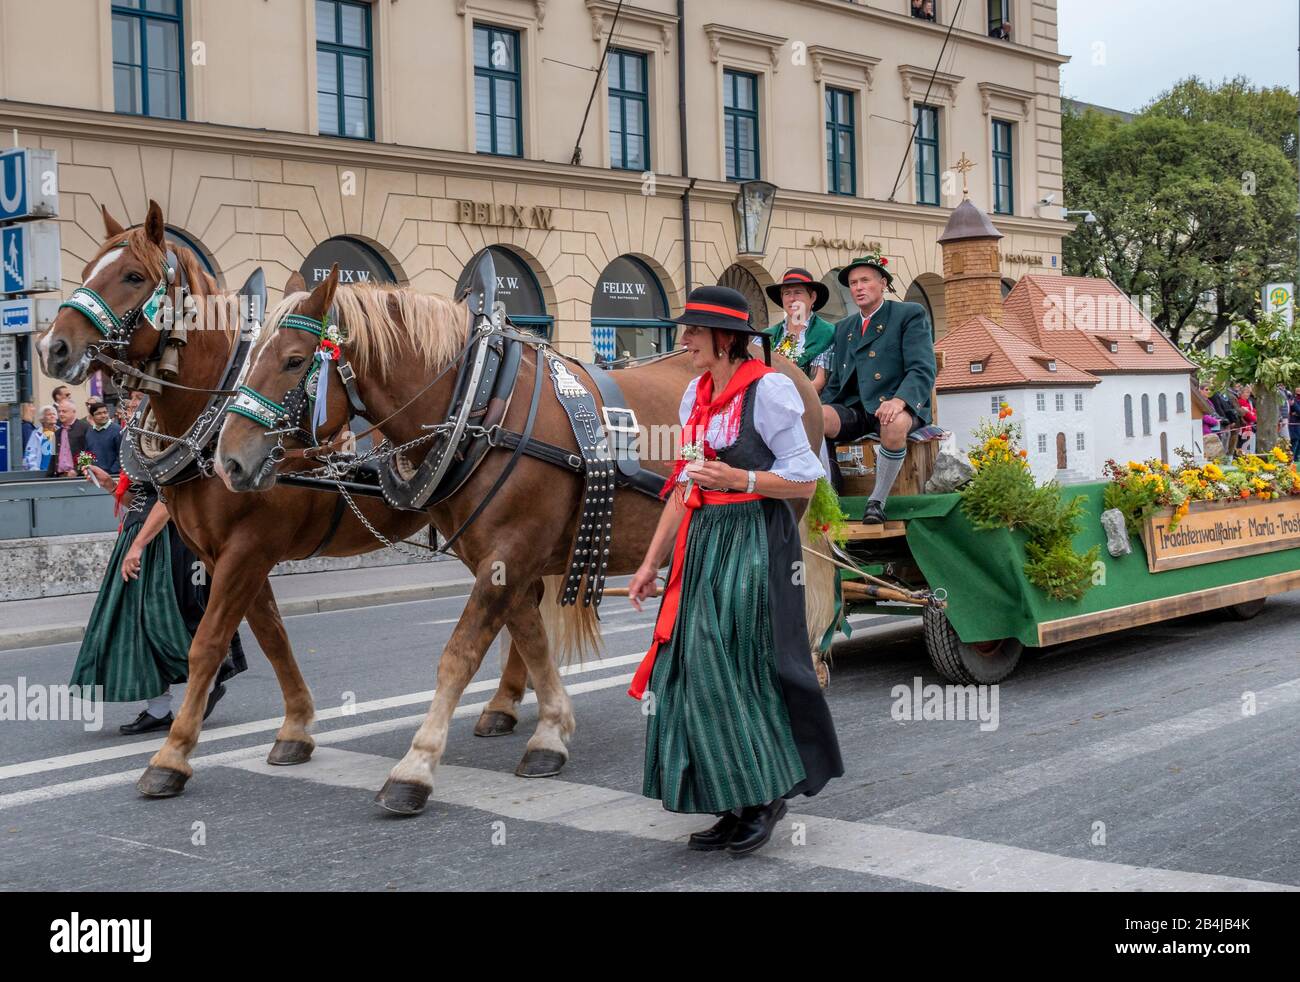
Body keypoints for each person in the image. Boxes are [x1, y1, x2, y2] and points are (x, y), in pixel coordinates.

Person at [627, 285, 844, 857]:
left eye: (694, 330)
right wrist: (651, 562)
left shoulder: (767, 391)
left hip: (754, 538)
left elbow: (804, 478)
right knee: (693, 667)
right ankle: (732, 797)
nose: (685, 339)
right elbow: (683, 485)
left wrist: (742, 481)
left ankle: (766, 796)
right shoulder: (695, 396)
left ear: (726, 338)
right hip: (704, 541)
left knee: (737, 661)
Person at [70, 470, 246, 735]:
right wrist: (109, 485)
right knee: (136, 624)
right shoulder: (135, 437)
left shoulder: (162, 437)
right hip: (142, 537)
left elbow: (169, 498)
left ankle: (210, 676)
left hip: (172, 540)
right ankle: (159, 709)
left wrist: (138, 545)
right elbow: (140, 502)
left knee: (172, 620)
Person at [820, 253, 936, 524]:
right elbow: (837, 380)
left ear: (882, 283)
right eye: (852, 283)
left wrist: (900, 401)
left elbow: (922, 368)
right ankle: (831, 493)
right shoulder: (844, 328)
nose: (858, 287)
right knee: (816, 418)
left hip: (900, 405)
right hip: (858, 408)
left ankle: (876, 502)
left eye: (865, 280)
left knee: (893, 424)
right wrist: (819, 406)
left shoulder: (907, 314)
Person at [760, 267, 836, 392]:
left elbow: (817, 383)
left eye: (798, 292)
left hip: (809, 404)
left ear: (812, 297)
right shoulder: (767, 335)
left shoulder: (826, 332)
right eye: (787, 293)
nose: (791, 298)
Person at [81, 399, 122, 485]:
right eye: (99, 413)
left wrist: (112, 472)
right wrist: (88, 470)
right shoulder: (89, 432)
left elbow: (121, 455)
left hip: (113, 478)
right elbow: (86, 454)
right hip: (94, 478)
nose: (103, 415)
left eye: (105, 412)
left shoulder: (117, 430)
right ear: (92, 416)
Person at [47, 400, 89, 478]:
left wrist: (77, 470)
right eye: (59, 411)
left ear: (73, 412)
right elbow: (53, 458)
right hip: (60, 476)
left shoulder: (85, 428)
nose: (61, 414)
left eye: (64, 411)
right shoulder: (56, 433)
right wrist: (48, 477)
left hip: (79, 477)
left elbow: (89, 452)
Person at [24, 404, 57, 472]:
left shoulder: (61, 432)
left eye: (54, 414)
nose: (52, 416)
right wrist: (35, 470)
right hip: (41, 473)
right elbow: (30, 454)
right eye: (49, 414)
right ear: (42, 419)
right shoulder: (36, 433)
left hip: (57, 473)